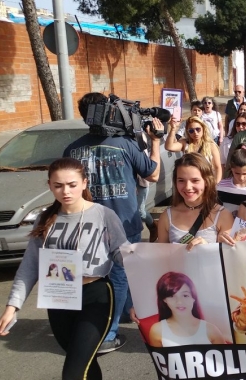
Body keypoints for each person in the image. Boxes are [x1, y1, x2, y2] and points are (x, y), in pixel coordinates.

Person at [0, 158, 128, 379]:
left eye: (72, 184)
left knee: (73, 372)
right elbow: (30, 266)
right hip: (58, 297)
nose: (65, 191)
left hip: (95, 296)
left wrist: (145, 261)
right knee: (84, 363)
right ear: (50, 185)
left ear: (84, 183)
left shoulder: (103, 215)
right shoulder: (45, 218)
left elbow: (120, 252)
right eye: (58, 185)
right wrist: (12, 307)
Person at [64, 92, 163, 353]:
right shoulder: (125, 145)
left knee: (90, 278)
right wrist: (155, 142)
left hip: (83, 226)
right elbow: (153, 174)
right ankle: (108, 333)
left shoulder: (72, 149)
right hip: (122, 225)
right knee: (119, 276)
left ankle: (112, 317)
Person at [155, 153, 233, 248]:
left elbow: (227, 257)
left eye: (195, 180)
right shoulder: (166, 217)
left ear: (207, 181)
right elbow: (161, 257)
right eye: (181, 180)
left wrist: (207, 248)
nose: (188, 187)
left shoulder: (223, 215)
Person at [148, 272, 226, 347]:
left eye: (185, 295)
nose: (179, 302)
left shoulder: (211, 330)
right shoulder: (157, 330)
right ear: (164, 300)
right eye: (171, 296)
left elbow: (228, 358)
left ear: (193, 298)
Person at [166, 116, 223, 181]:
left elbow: (217, 168)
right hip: (189, 180)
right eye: (191, 131)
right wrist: (173, 128)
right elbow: (169, 147)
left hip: (206, 181)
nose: (195, 133)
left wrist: (216, 185)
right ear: (187, 132)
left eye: (198, 129)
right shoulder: (185, 143)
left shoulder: (211, 145)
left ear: (203, 129)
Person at [217, 143, 246, 214]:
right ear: (231, 168)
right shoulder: (221, 186)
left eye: (245, 173)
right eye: (237, 173)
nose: (241, 178)